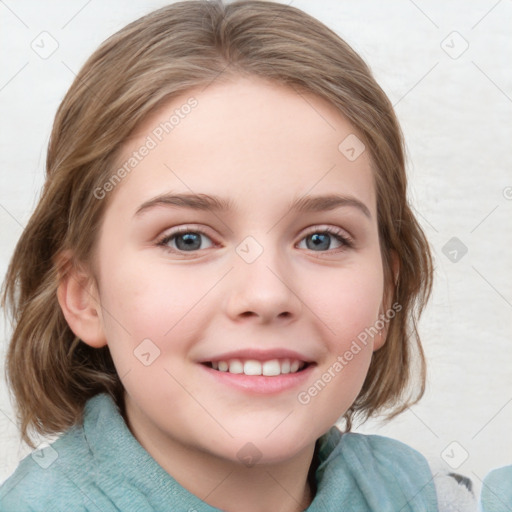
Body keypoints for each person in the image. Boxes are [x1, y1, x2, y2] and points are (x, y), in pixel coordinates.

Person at [0, 1, 475, 510]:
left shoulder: (433, 495)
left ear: (387, 295)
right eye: (188, 239)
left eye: (321, 238)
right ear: (85, 296)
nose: (266, 294)